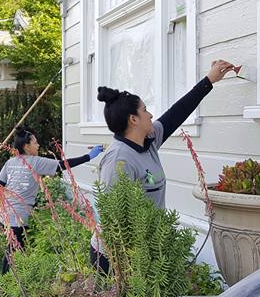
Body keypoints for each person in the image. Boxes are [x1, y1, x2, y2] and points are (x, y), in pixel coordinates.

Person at [91, 59, 238, 272]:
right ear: (133, 119)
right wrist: (136, 260)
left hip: (145, 249)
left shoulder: (148, 140)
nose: (151, 115)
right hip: (116, 257)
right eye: (145, 110)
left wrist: (209, 80)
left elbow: (175, 114)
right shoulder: (119, 161)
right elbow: (114, 219)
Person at [0, 127, 103, 273]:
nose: (38, 145)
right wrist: (89, 157)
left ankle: (9, 286)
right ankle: (9, 289)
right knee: (15, 252)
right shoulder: (35, 161)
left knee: (13, 250)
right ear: (26, 147)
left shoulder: (11, 162)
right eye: (35, 143)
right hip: (19, 215)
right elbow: (63, 165)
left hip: (5, 213)